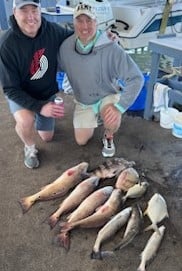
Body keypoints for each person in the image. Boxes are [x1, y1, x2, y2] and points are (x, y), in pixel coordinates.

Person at [58, 3, 144, 158]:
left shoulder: (112, 47)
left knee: (112, 119)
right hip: (83, 100)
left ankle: (108, 136)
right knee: (81, 141)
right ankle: (96, 117)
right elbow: (52, 69)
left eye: (89, 20)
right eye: (80, 21)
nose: (85, 26)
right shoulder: (65, 48)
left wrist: (120, 106)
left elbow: (136, 78)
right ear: (73, 23)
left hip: (107, 95)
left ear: (97, 22)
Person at [0, 0, 73, 169]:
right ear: (14, 12)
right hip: (21, 94)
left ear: (40, 11)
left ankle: (40, 115)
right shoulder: (6, 44)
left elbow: (79, 38)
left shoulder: (53, 31)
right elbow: (10, 89)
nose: (31, 16)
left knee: (47, 137)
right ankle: (29, 147)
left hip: (46, 94)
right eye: (24, 10)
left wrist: (105, 37)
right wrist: (40, 108)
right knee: (26, 121)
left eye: (34, 10)